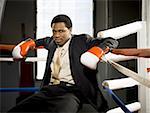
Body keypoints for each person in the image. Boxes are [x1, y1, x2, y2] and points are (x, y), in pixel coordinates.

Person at [8, 14, 118, 113]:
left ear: (70, 30)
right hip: (48, 90)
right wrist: (27, 44)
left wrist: (98, 50)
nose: (56, 35)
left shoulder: (81, 40)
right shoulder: (51, 42)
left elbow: (111, 41)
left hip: (71, 91)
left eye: (61, 31)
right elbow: (36, 42)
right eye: (54, 31)